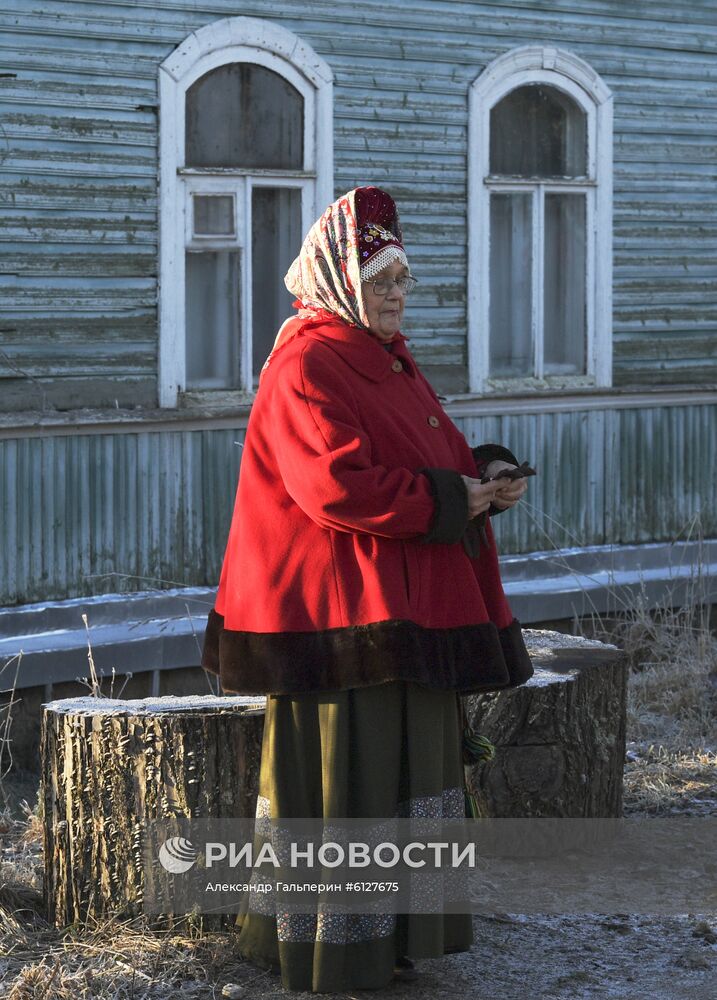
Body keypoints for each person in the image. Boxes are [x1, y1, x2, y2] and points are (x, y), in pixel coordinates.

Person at [200, 186, 533, 992]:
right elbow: (334, 487)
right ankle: (332, 951)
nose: (395, 295)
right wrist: (455, 500)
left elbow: (429, 447)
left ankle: (395, 938)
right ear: (339, 281)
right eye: (380, 281)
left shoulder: (383, 356)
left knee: (410, 768)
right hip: (336, 617)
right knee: (347, 774)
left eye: (402, 280)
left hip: (400, 607)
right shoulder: (308, 362)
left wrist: (482, 470)